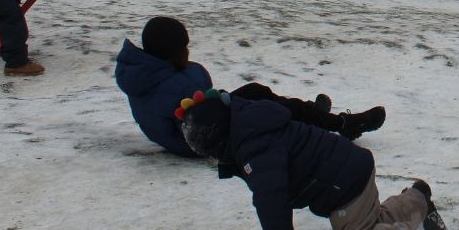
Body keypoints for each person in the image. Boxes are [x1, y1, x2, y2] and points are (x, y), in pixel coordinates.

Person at [176, 88, 459, 230]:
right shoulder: (251, 127)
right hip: (350, 171)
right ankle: (418, 198)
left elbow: (270, 197)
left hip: (344, 185)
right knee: (371, 220)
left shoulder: (254, 146)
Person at [115, 16, 386, 158]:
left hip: (193, 133)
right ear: (173, 51)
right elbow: (199, 91)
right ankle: (340, 124)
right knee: (267, 107)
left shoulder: (146, 73)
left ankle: (313, 116)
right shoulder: (174, 83)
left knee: (259, 96)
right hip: (203, 141)